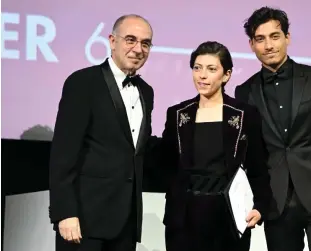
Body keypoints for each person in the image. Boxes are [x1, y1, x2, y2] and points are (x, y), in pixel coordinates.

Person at [235, 7, 311, 251]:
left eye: (275, 36)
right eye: (261, 39)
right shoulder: (244, 92)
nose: (269, 45)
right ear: (251, 44)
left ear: (287, 38)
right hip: (276, 204)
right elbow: (252, 155)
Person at [49, 14, 155, 251]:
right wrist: (64, 212)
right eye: (130, 40)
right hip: (84, 221)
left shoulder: (146, 92)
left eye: (145, 43)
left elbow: (134, 149)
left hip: (126, 223)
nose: (138, 49)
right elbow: (63, 153)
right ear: (112, 41)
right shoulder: (82, 83)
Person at [158, 41, 272, 251]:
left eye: (211, 69)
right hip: (184, 217)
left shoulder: (244, 114)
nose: (202, 75)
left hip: (228, 216)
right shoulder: (177, 114)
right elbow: (167, 163)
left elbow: (258, 166)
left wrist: (260, 206)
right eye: (197, 68)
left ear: (226, 75)